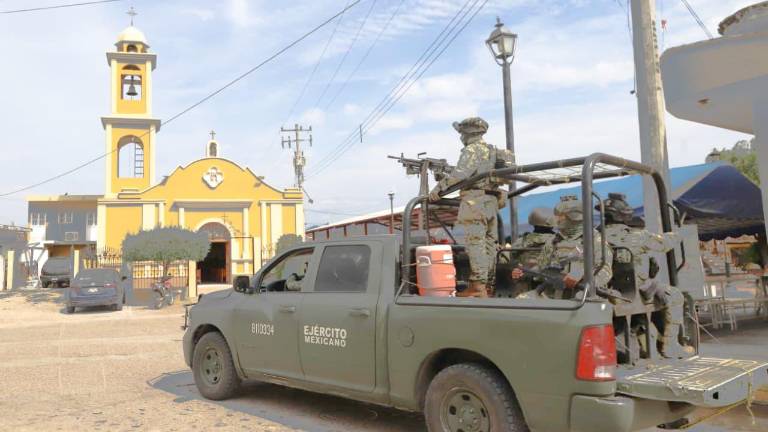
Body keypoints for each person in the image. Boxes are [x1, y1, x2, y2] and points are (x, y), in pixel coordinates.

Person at [601, 192, 694, 358]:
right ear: (624, 215)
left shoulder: (594, 237)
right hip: (635, 290)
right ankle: (670, 345)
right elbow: (664, 243)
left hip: (607, 289)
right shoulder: (636, 236)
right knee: (675, 296)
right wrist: (680, 232)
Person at [428, 117, 506, 297]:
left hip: (475, 202)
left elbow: (461, 174)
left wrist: (438, 189)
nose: (461, 137)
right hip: (491, 201)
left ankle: (477, 287)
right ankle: (487, 285)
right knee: (489, 244)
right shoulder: (491, 150)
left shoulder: (472, 150)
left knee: (475, 244)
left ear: (467, 133)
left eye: (461, 133)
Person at [512, 196, 613, 299]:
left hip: (584, 294)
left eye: (561, 216)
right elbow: (542, 267)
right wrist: (524, 272)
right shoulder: (554, 241)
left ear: (574, 217)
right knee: (521, 300)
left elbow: (605, 270)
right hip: (553, 294)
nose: (556, 219)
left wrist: (581, 277)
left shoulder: (595, 240)